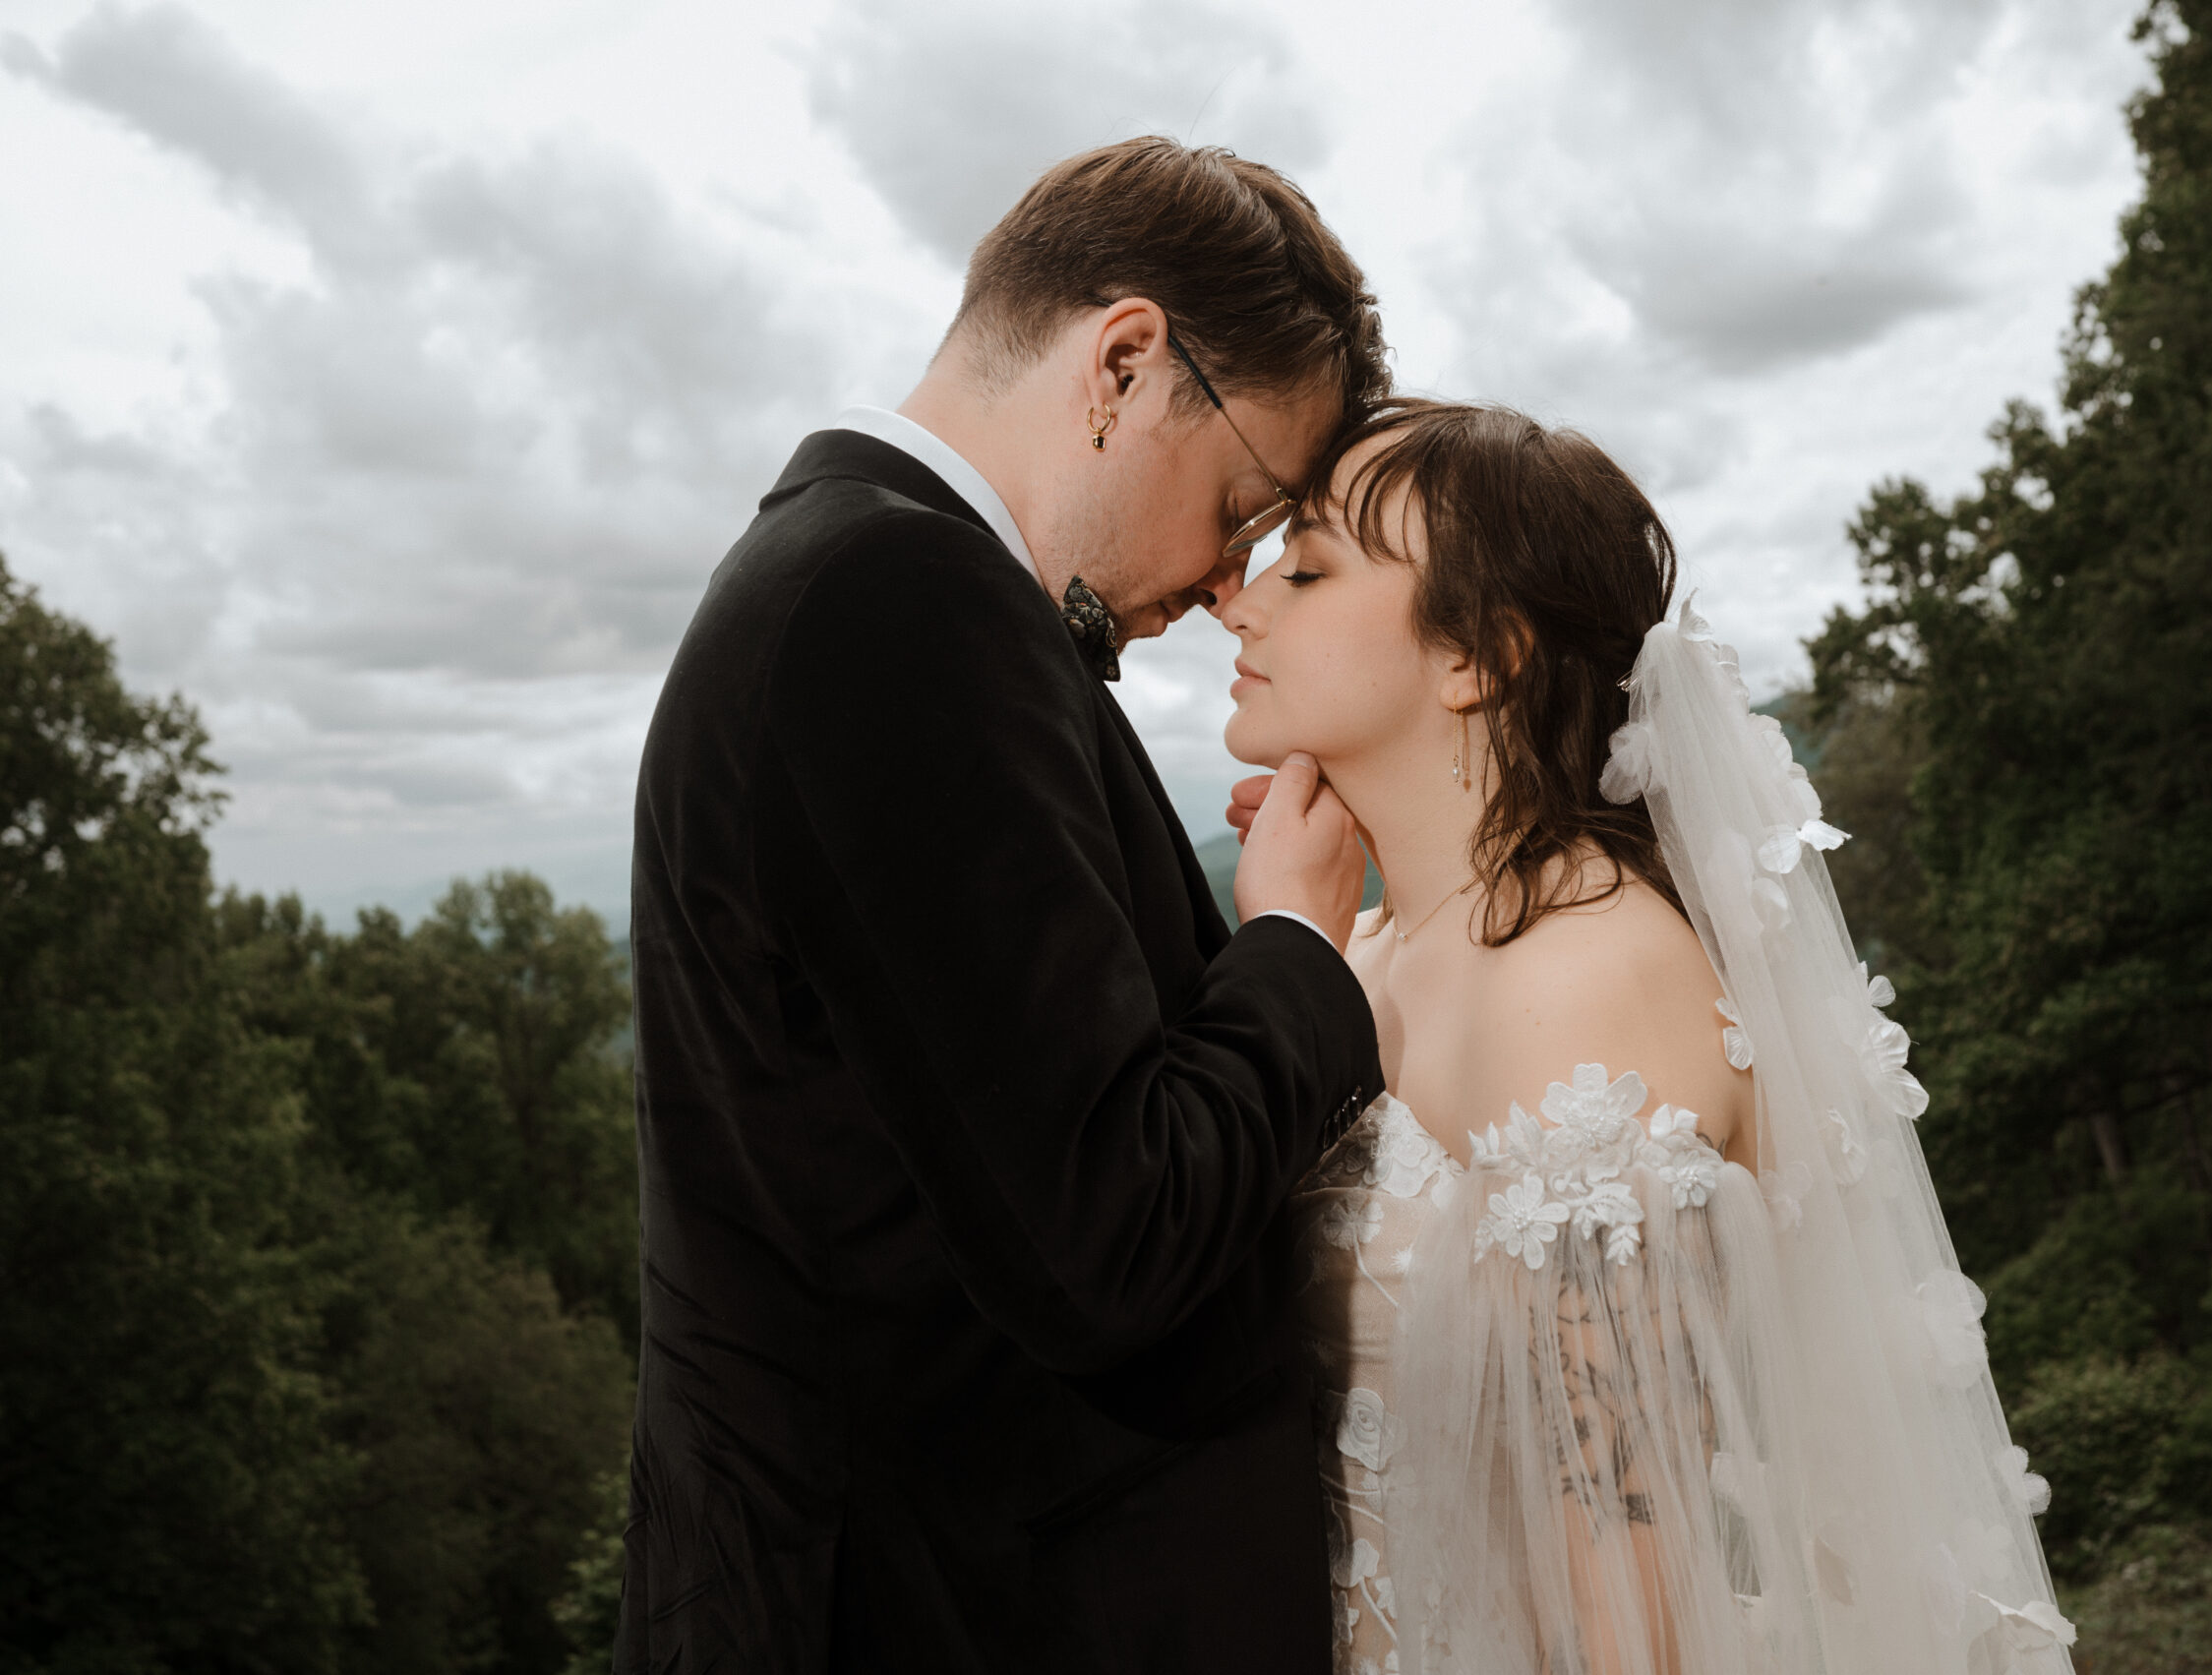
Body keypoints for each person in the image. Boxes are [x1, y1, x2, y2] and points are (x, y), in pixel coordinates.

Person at [619, 138, 1390, 1673]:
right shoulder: (901, 607)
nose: (1231, 581)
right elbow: (1111, 1238)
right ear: (1122, 363)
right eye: (1243, 501)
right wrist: (1296, 944)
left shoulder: (855, 570)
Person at [1222, 401, 2081, 1673]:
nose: (1242, 607)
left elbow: (1621, 1578)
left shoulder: (1588, 980)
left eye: (1306, 569)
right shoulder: (1358, 951)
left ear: (1480, 656)